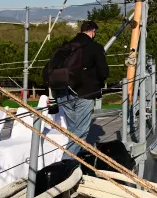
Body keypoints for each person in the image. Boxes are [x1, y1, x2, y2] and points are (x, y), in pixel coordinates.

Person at [43, 20, 108, 158]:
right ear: (93, 32)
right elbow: (104, 73)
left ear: (80, 31)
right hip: (84, 93)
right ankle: (66, 161)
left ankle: (77, 157)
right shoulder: (95, 47)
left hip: (63, 92)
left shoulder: (65, 46)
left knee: (73, 130)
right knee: (81, 131)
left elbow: (48, 69)